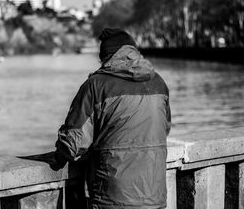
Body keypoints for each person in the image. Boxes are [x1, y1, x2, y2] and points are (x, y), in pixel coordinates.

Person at [52, 28, 171, 209]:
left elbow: (73, 144)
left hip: (110, 197)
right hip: (155, 195)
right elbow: (165, 128)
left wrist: (58, 158)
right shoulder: (158, 83)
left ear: (106, 57)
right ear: (134, 51)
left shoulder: (96, 85)